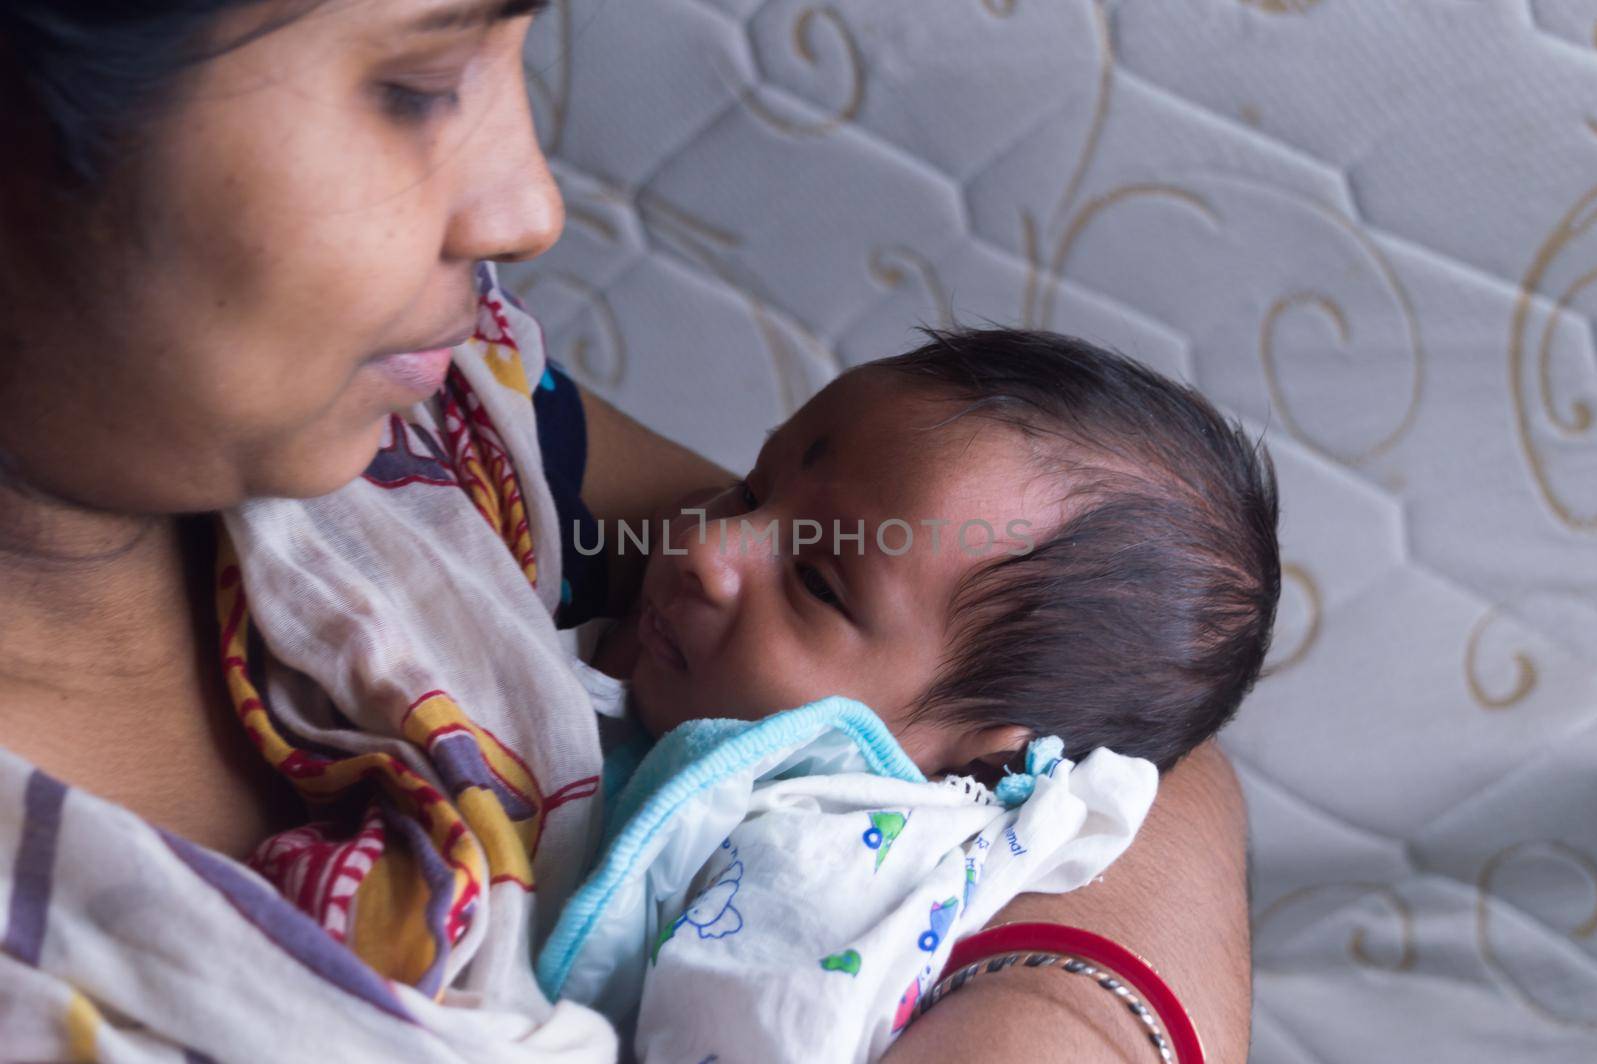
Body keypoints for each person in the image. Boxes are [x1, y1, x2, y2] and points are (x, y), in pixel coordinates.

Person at [0, 1, 1253, 1060]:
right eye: (418, 84)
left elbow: (1132, 732)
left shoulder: (446, 414)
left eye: (512, 51)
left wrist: (1055, 1019)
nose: (527, 206)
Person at [532, 327, 1277, 1061]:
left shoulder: (815, 891)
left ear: (985, 756)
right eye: (751, 488)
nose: (703, 546)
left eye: (818, 584)